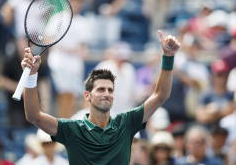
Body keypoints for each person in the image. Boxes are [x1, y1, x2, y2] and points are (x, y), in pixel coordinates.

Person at [21, 30, 180, 165]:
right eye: (101, 89)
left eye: (110, 90)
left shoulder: (126, 123)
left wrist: (168, 57)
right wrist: (32, 75)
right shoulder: (72, 129)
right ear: (87, 96)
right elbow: (34, 116)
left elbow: (161, 95)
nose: (107, 94)